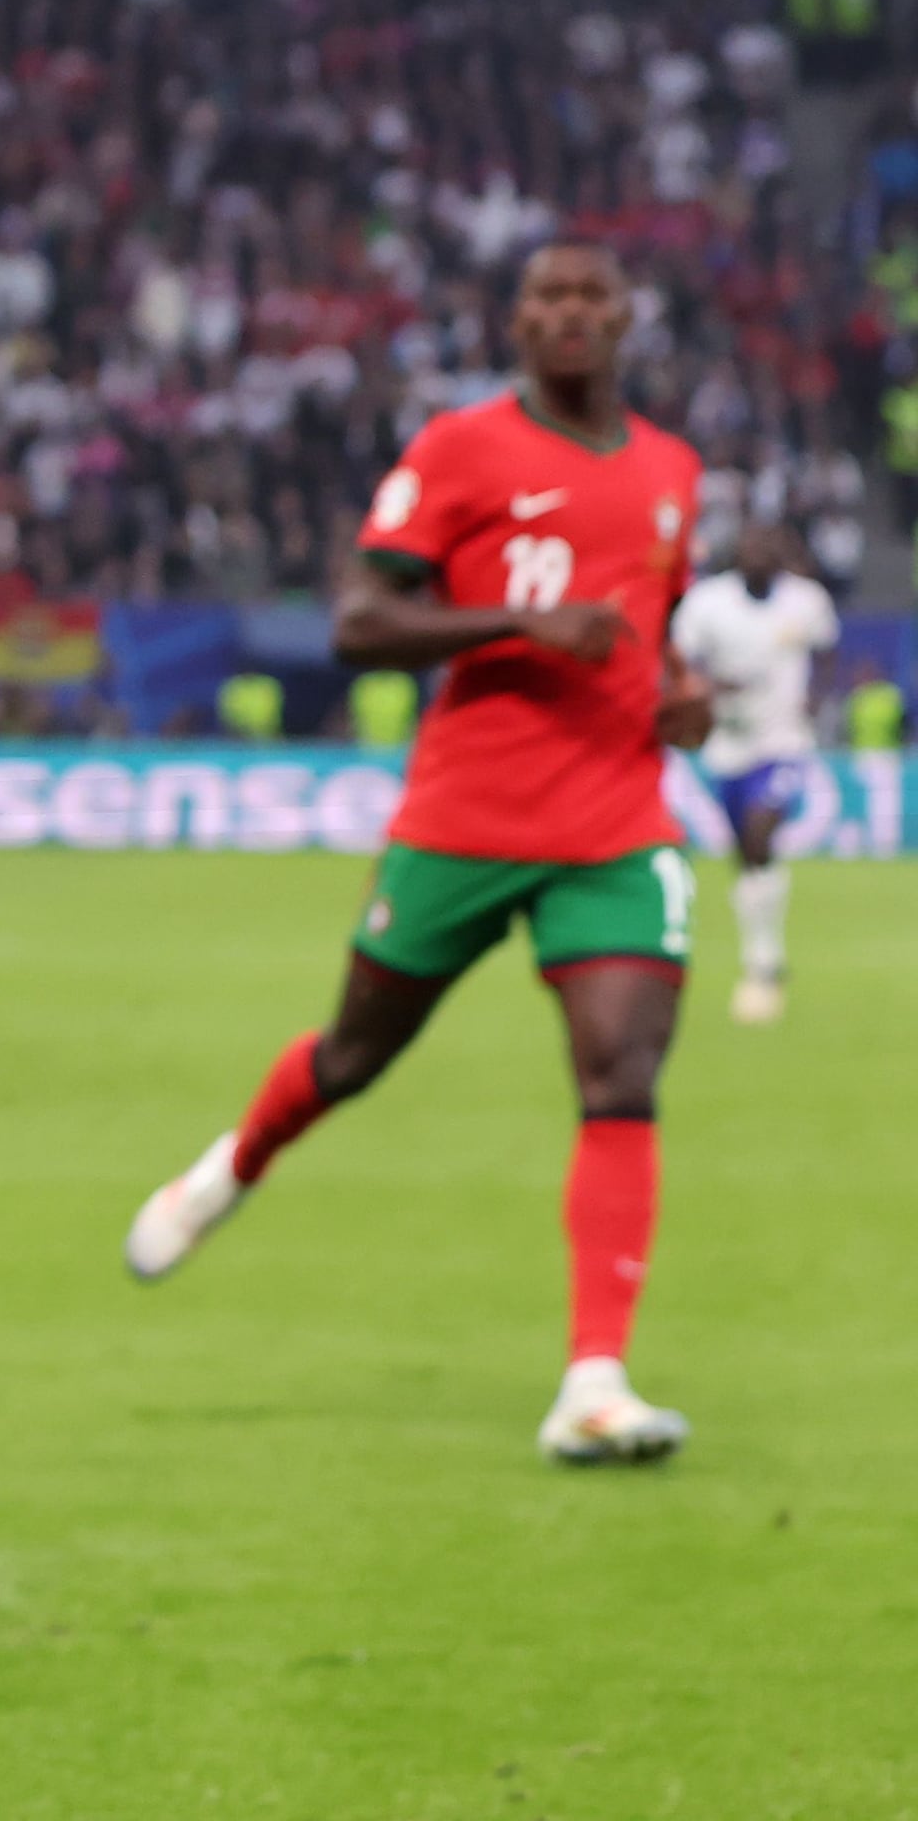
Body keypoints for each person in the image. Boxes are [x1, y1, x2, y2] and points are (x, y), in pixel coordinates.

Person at [123, 243, 712, 1465]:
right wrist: (513, 619)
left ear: (622, 317)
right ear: (513, 321)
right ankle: (228, 1169)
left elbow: (647, 622)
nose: (564, 314)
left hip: (614, 819)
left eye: (587, 296)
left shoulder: (672, 470)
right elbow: (355, 622)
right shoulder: (458, 450)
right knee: (351, 1054)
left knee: (619, 1072)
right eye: (542, 297)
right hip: (464, 817)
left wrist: (681, 692)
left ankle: (591, 1382)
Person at [672, 511, 836, 1025]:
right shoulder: (708, 603)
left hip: (785, 740)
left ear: (781, 556)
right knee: (746, 853)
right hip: (728, 744)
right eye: (751, 548)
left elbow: (827, 649)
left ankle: (763, 960)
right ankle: (763, 951)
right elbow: (682, 660)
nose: (759, 557)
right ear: (737, 554)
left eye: (769, 548)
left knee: (762, 831)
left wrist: (815, 694)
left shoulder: (805, 601)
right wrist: (706, 690)